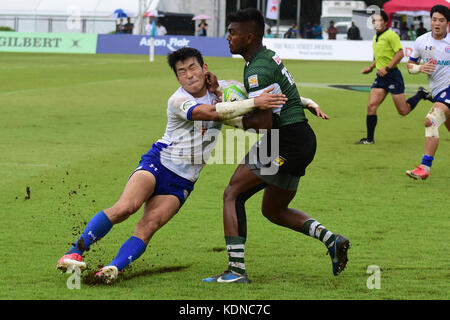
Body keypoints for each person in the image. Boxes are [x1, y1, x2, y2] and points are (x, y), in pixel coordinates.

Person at [56, 47, 287, 284]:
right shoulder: (178, 100)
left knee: (149, 225)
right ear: (177, 78)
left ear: (204, 68)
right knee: (126, 207)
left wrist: (303, 102)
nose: (189, 74)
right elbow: (208, 112)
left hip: (183, 181)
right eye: (182, 71)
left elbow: (266, 94)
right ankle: (75, 251)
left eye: (193, 67)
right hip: (158, 164)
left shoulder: (223, 88)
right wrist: (253, 102)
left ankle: (113, 268)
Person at [203, 8, 349, 284]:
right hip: (301, 139)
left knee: (232, 194)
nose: (228, 37)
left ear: (248, 37)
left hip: (284, 140)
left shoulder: (257, 68)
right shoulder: (265, 58)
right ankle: (332, 240)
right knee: (273, 210)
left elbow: (264, 123)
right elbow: (270, 98)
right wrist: (221, 88)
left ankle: (235, 272)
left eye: (233, 32)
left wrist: (227, 117)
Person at [356, 11, 431, 145]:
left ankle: (420, 94)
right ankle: (369, 139)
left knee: (403, 111)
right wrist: (371, 67)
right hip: (380, 77)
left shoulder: (391, 35)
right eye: (374, 21)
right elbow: (380, 57)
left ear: (385, 22)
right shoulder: (376, 37)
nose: (376, 24)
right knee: (371, 106)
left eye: (379, 21)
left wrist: (388, 68)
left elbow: (400, 53)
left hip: (393, 76)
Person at [405, 5, 450, 180]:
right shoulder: (421, 41)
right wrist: (420, 68)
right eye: (434, 20)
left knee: (430, 121)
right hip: (438, 91)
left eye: (441, 20)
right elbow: (409, 66)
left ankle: (425, 167)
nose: (437, 24)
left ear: (447, 23)